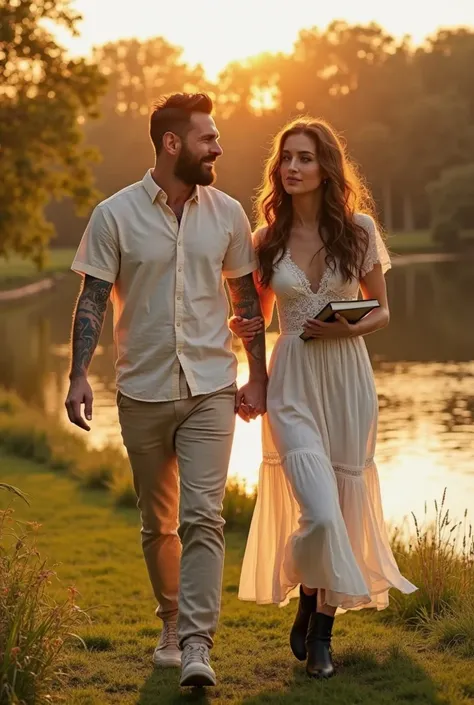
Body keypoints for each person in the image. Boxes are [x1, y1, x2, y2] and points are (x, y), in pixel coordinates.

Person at [65, 92, 267, 688]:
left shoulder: (228, 213)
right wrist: (78, 373)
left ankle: (198, 645)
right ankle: (171, 622)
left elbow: (246, 299)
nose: (219, 149)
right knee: (159, 524)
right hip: (143, 390)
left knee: (204, 517)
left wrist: (256, 373)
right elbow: (93, 301)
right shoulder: (114, 215)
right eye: (209, 139)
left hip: (210, 386)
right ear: (172, 143)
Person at [230, 117, 417, 679]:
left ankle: (320, 630)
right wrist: (254, 379)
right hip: (291, 381)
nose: (292, 167)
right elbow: (252, 323)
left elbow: (382, 309)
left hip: (347, 379)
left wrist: (347, 329)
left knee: (340, 500)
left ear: (326, 165)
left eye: (305, 158)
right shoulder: (265, 240)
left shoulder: (358, 230)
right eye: (286, 157)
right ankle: (309, 589)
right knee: (317, 508)